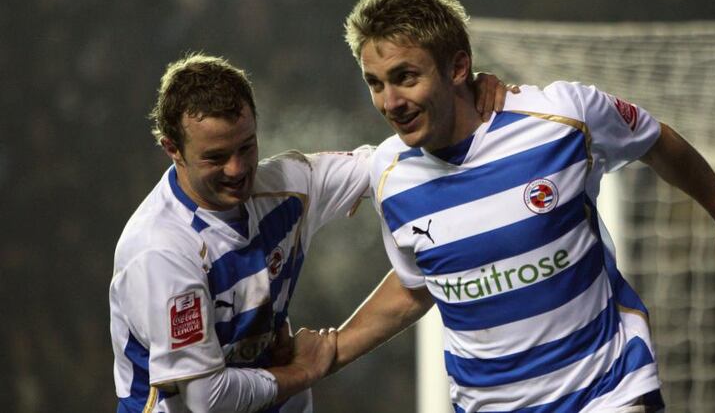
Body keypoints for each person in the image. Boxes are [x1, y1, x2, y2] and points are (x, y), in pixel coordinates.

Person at [332, 0, 715, 413]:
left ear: (458, 68)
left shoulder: (561, 118)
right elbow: (418, 285)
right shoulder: (390, 178)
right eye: (375, 84)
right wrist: (327, 351)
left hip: (608, 391)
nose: (390, 102)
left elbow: (654, 140)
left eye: (405, 77)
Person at [109, 53, 509, 412]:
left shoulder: (286, 185)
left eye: (246, 147)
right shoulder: (161, 251)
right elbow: (206, 398)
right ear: (172, 148)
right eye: (216, 157)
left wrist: (464, 101)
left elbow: (386, 166)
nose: (237, 169)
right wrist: (304, 370)